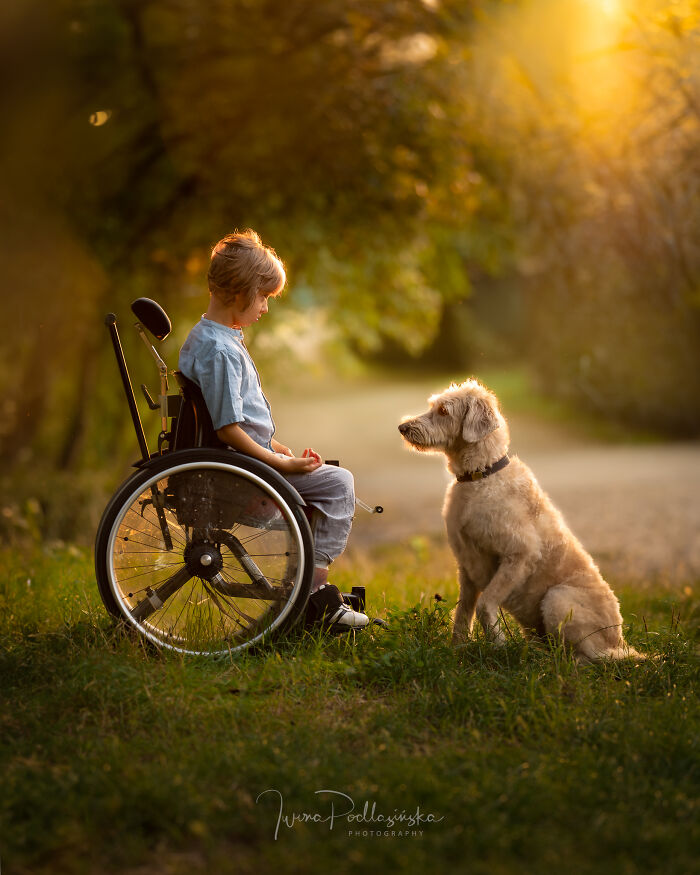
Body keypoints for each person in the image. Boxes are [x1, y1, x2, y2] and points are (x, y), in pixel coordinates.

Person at [179, 229, 369, 630]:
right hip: (238, 473)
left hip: (244, 461)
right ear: (240, 292)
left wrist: (285, 454)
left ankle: (305, 589)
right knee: (339, 484)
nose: (266, 307)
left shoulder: (213, 339)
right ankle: (314, 596)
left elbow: (244, 424)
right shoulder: (220, 351)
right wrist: (277, 463)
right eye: (263, 297)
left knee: (325, 478)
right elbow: (229, 430)